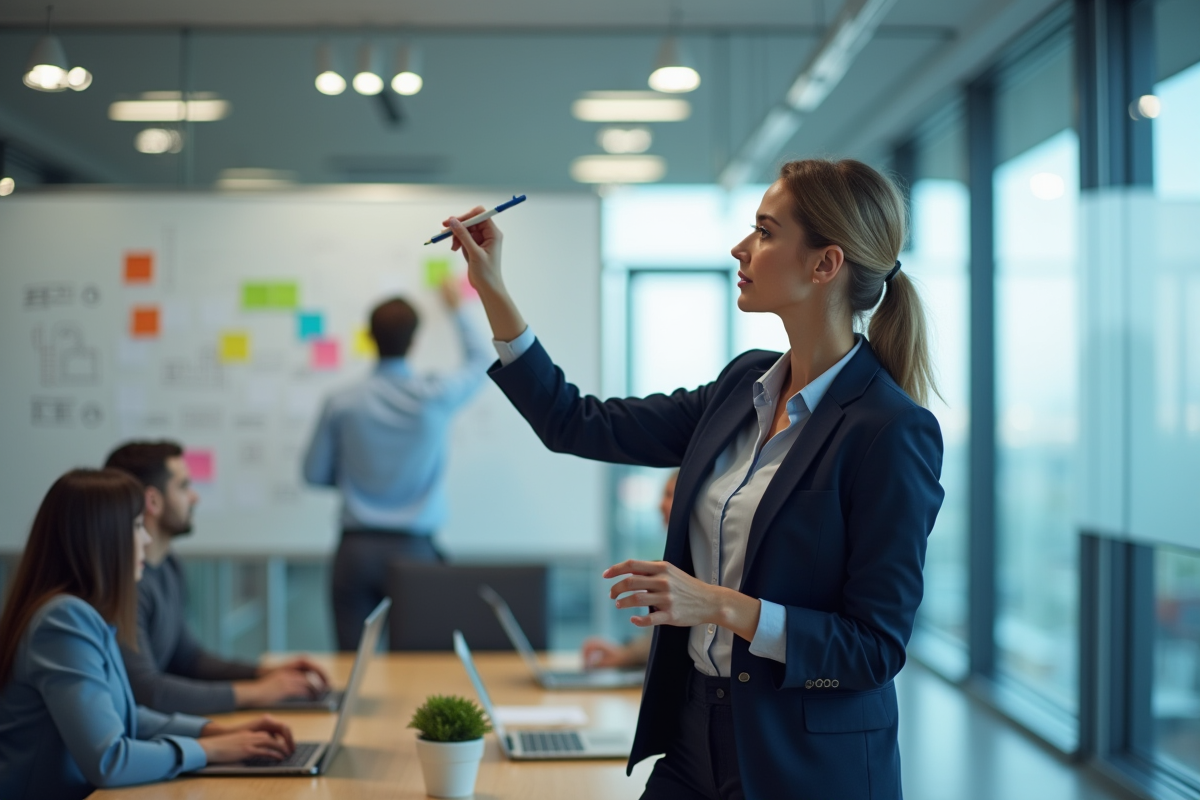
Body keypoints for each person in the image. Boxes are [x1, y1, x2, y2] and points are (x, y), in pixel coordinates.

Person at [445, 158, 945, 800]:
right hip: (691, 735)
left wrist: (715, 604)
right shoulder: (744, 384)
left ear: (825, 265)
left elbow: (873, 651)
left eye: (765, 232)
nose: (741, 247)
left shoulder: (890, 430)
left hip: (802, 764)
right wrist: (492, 288)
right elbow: (575, 422)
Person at [0, 469, 295, 800]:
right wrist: (208, 750)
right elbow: (108, 760)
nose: (147, 539)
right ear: (103, 538)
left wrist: (220, 732)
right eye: (138, 526)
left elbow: (127, 716)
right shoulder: (63, 620)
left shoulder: (84, 613)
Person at [304, 278, 492, 649]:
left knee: (353, 670)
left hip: (355, 551)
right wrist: (457, 309)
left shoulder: (342, 402)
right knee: (419, 668)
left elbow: (313, 474)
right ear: (415, 341)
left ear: (370, 338)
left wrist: (354, 477)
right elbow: (483, 361)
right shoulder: (434, 397)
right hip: (417, 554)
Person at [104, 441, 330, 715]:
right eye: (184, 487)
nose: (195, 497)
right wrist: (259, 692)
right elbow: (148, 693)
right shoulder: (124, 584)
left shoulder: (168, 564)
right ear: (153, 501)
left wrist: (266, 673)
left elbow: (189, 660)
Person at [580, 470, 677, 669]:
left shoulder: (694, 567)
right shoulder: (672, 558)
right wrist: (622, 655)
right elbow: (656, 641)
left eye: (669, 495)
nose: (660, 505)